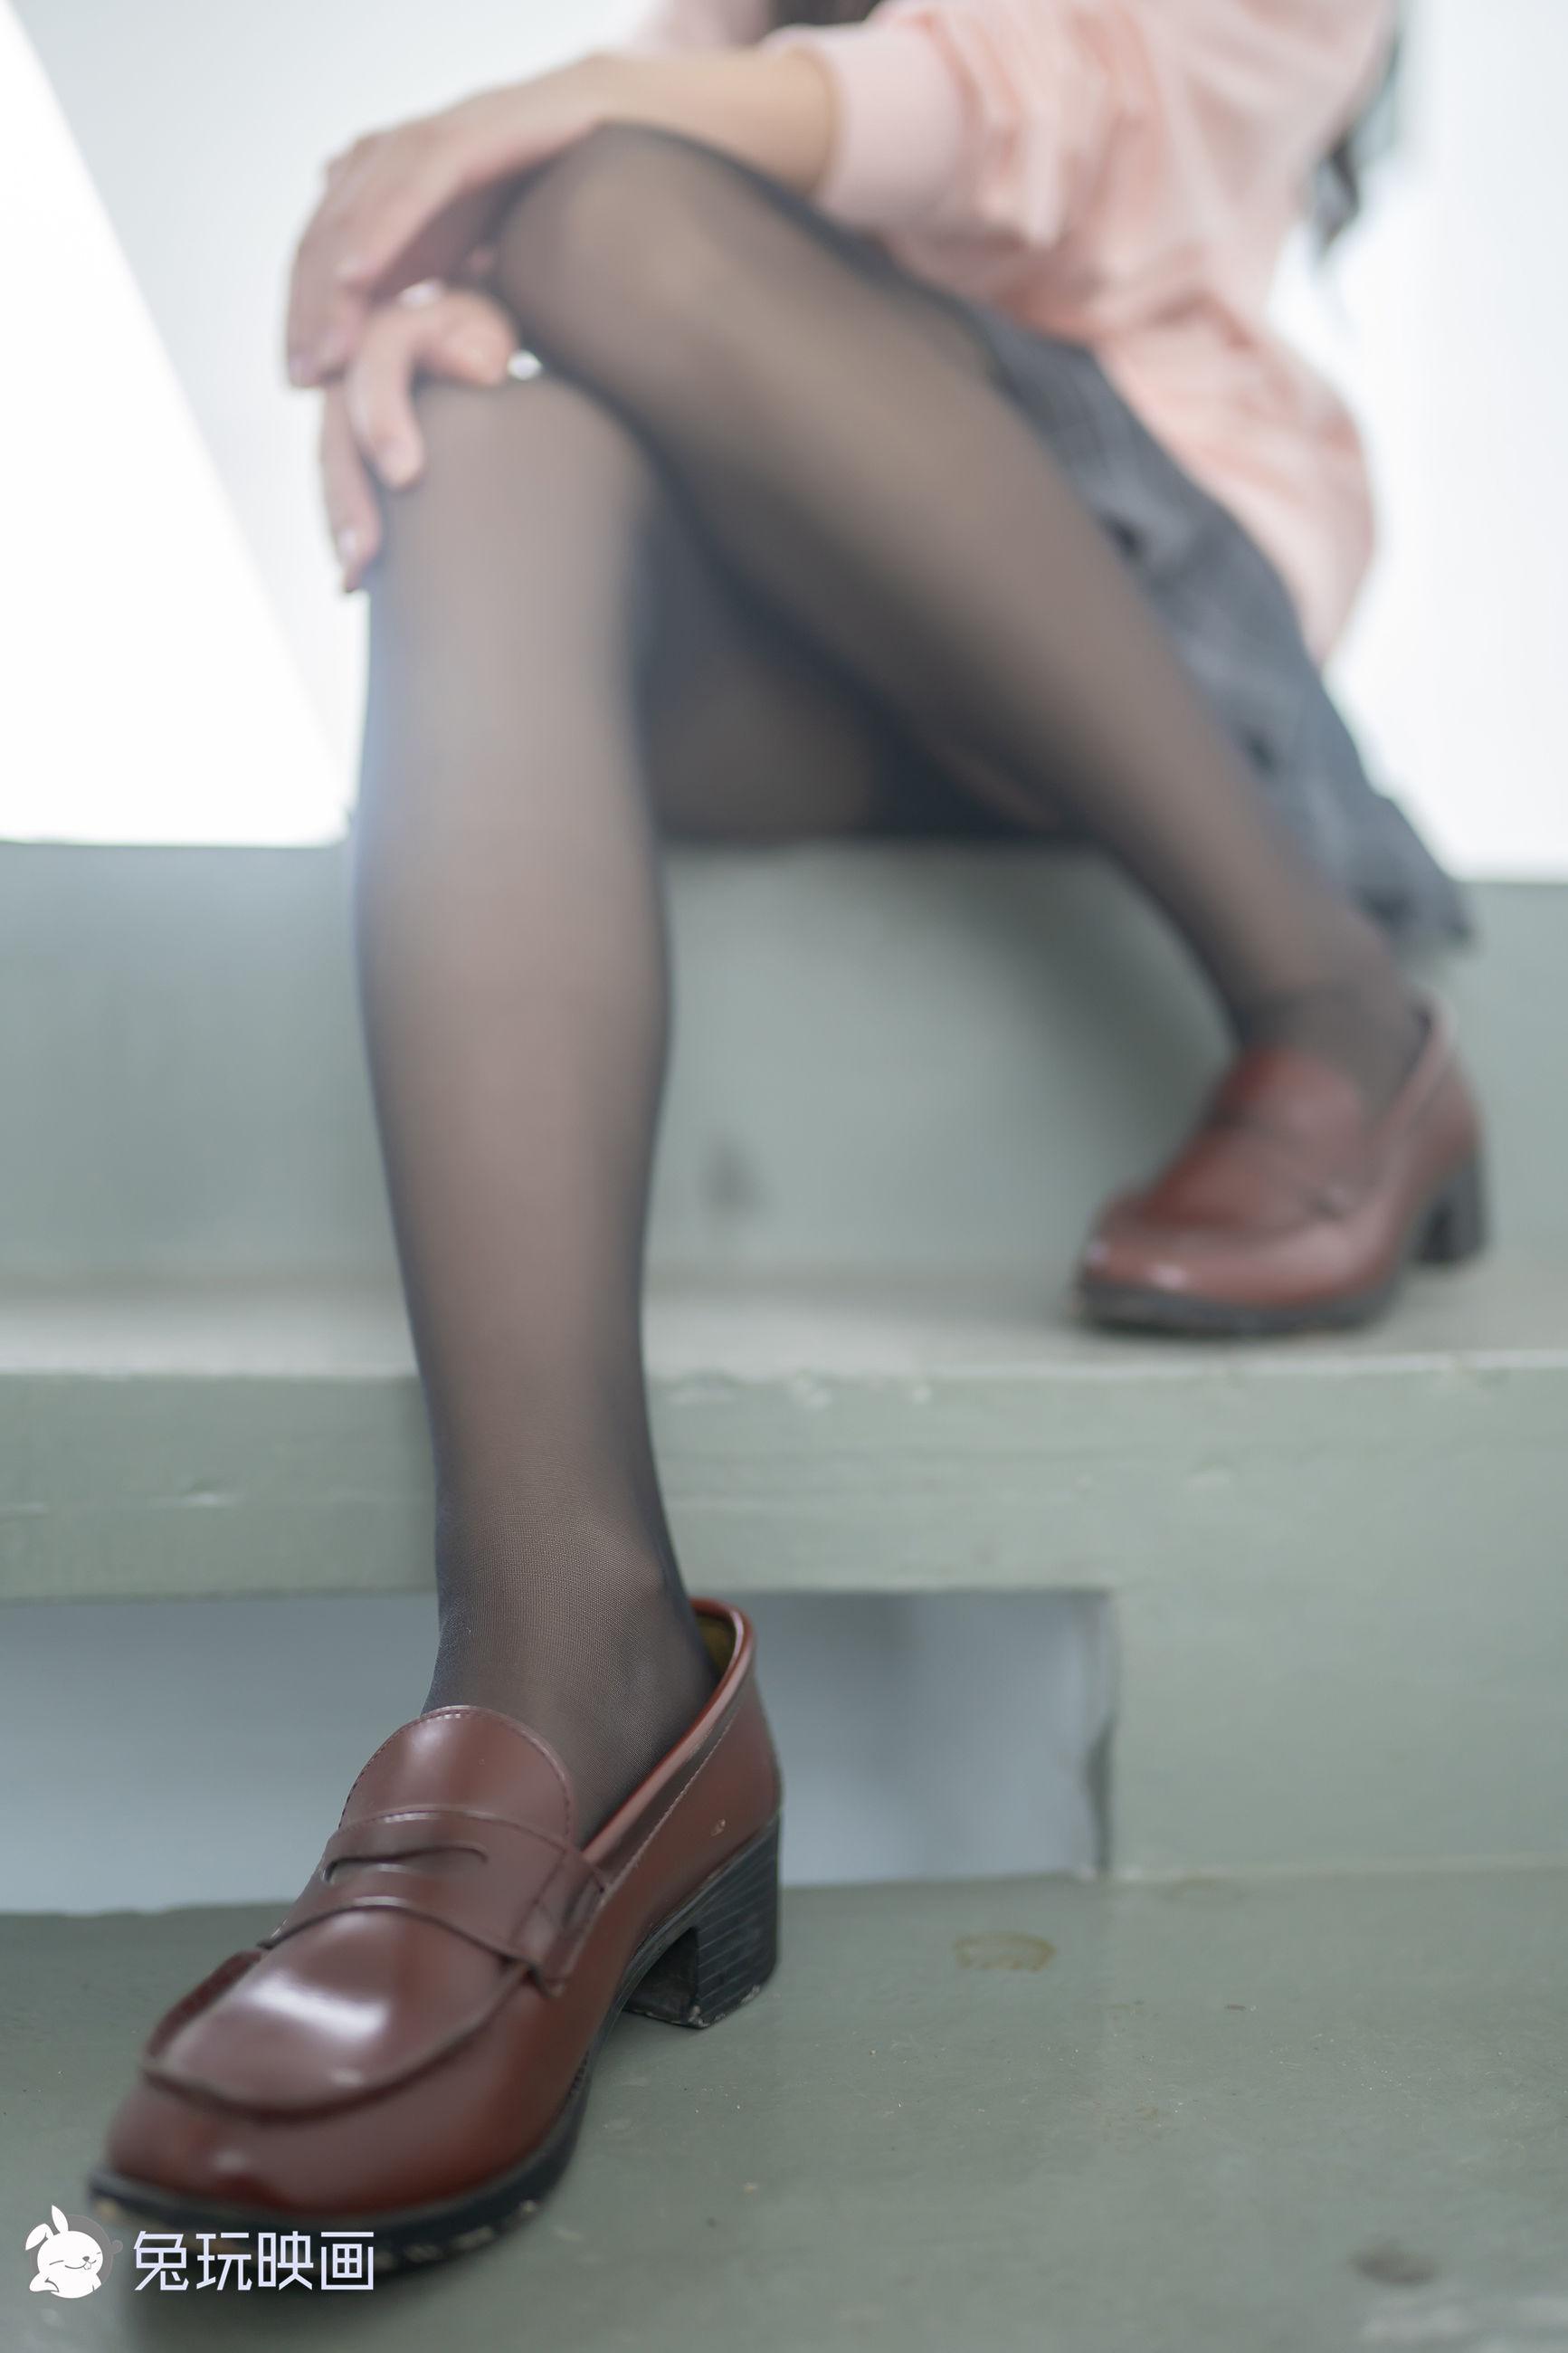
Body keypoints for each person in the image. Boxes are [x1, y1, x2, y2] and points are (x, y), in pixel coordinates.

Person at [93, 0, 1484, 2262]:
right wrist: (465, 305)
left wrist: (553, 156)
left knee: (619, 207)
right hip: (826, 627)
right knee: (490, 443)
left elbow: (1057, 117)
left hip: (1153, 617)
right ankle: (565, 1660)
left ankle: (1330, 997)